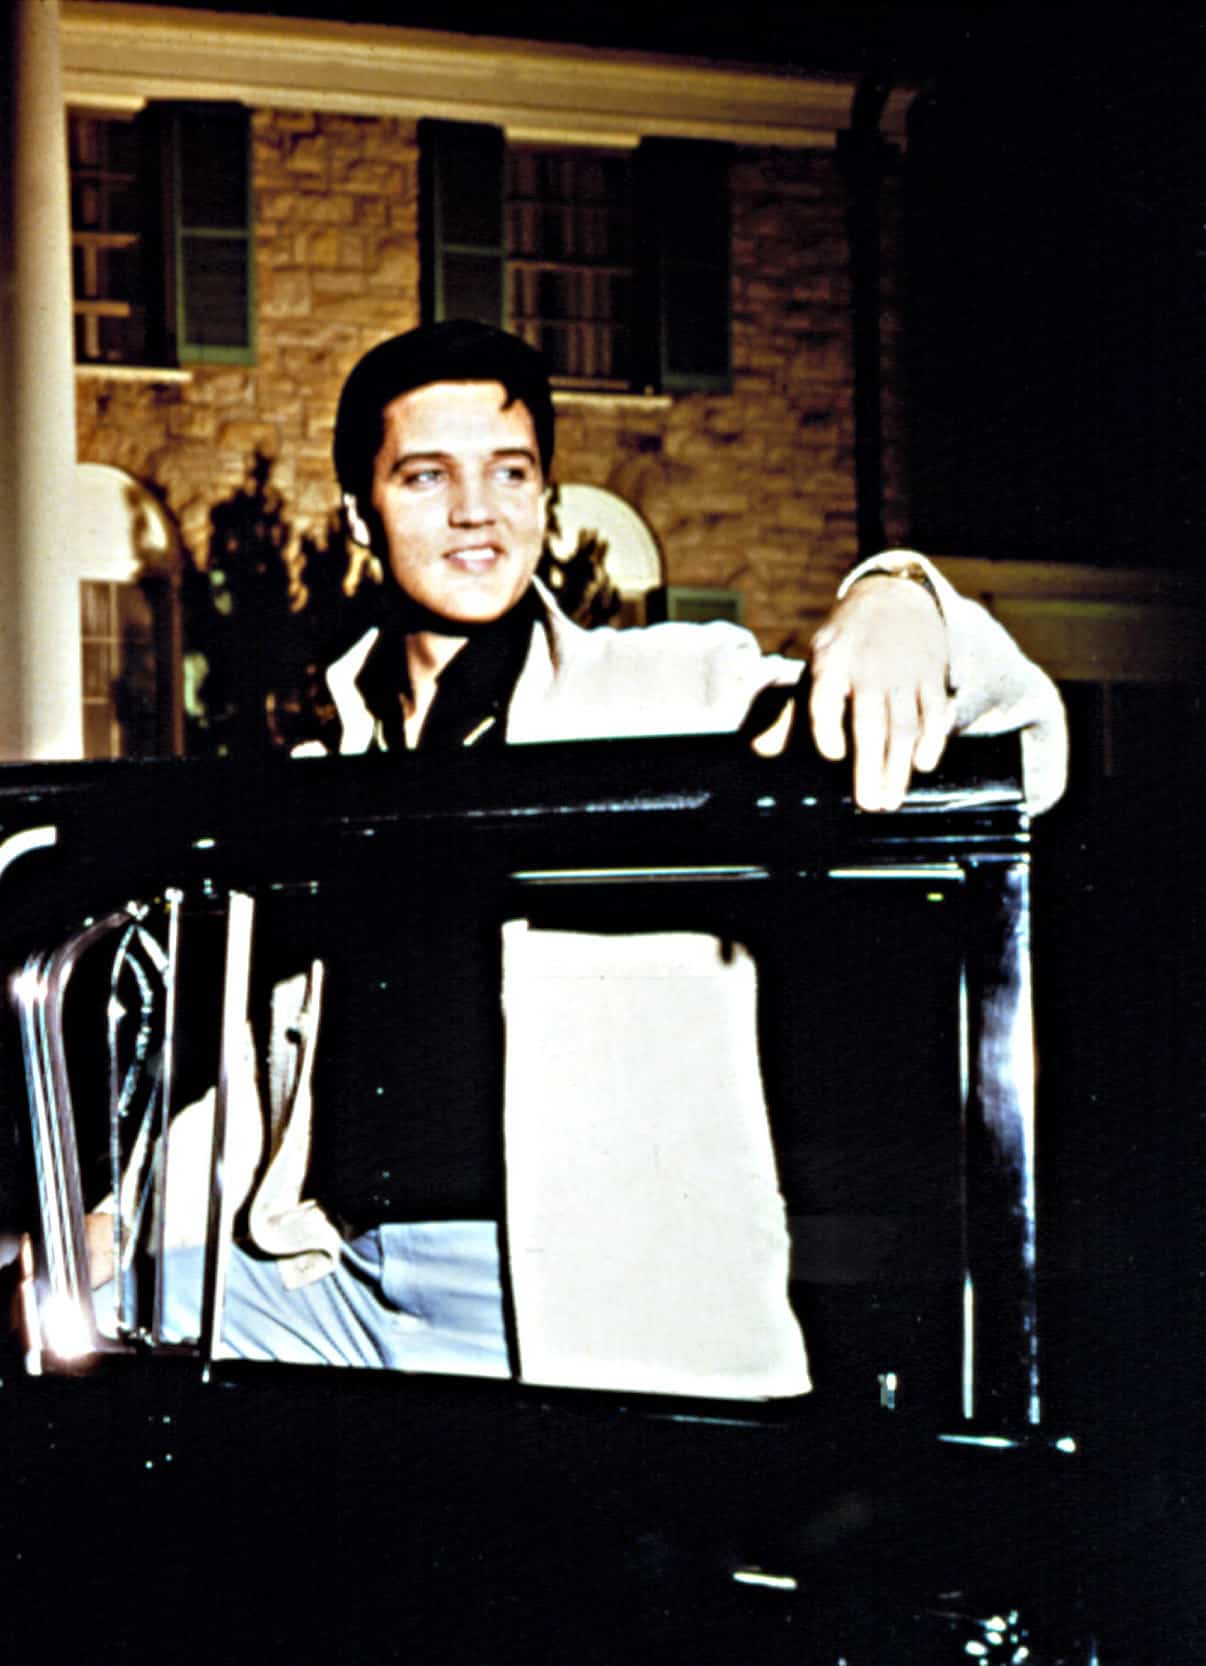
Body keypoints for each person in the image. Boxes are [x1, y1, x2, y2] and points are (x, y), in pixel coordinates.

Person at [179, 319, 1067, 1391]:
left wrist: (903, 600)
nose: (476, 512)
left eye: (510, 474)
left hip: (575, 1311)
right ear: (363, 516)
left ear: (546, 502)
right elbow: (257, 1061)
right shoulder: (331, 753)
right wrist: (101, 1221)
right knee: (55, 1313)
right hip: (328, 1282)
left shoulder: (670, 688)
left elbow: (1027, 748)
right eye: (425, 476)